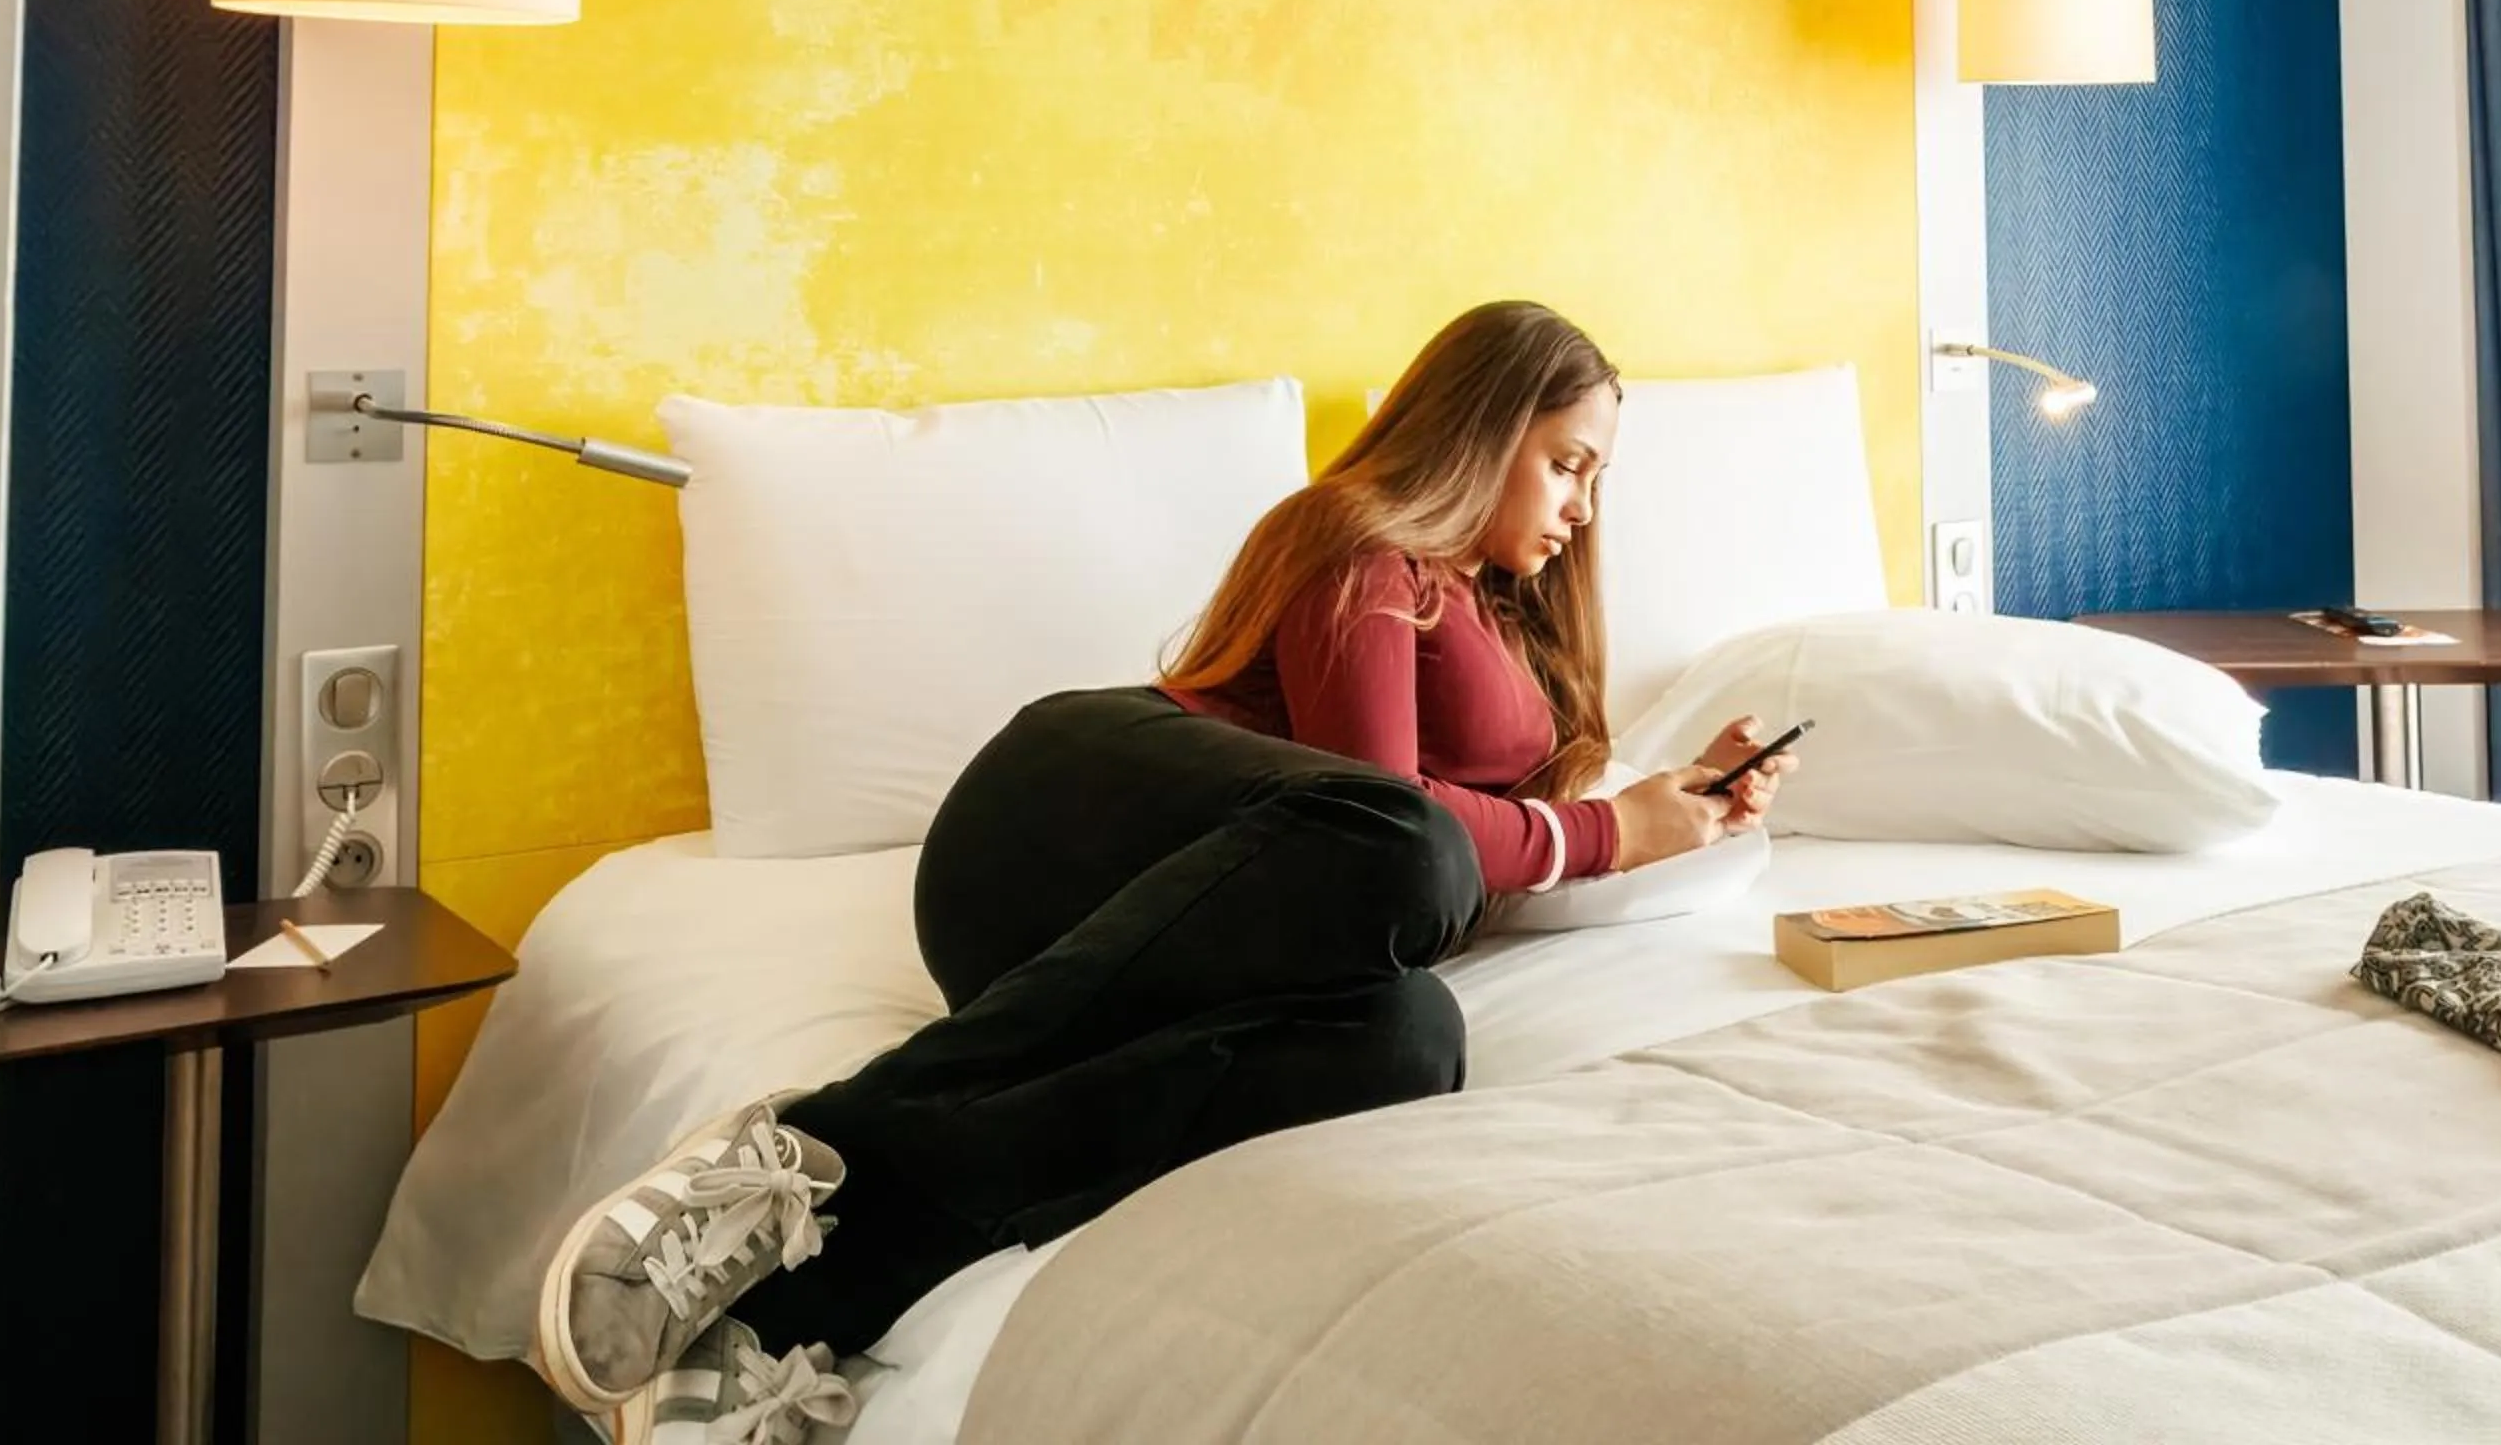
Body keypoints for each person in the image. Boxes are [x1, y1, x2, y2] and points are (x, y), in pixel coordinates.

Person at [529, 301, 1797, 1439]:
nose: (1583, 505)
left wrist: (1674, 796)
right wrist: (1606, 832)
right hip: (1058, 831)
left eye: (1597, 478)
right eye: (1567, 463)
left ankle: (804, 1301)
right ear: (1481, 429)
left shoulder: (1509, 612)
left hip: (1207, 929)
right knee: (1398, 845)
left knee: (1408, 1035)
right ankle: (813, 1133)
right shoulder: (1357, 544)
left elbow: (1460, 840)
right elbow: (1389, 811)